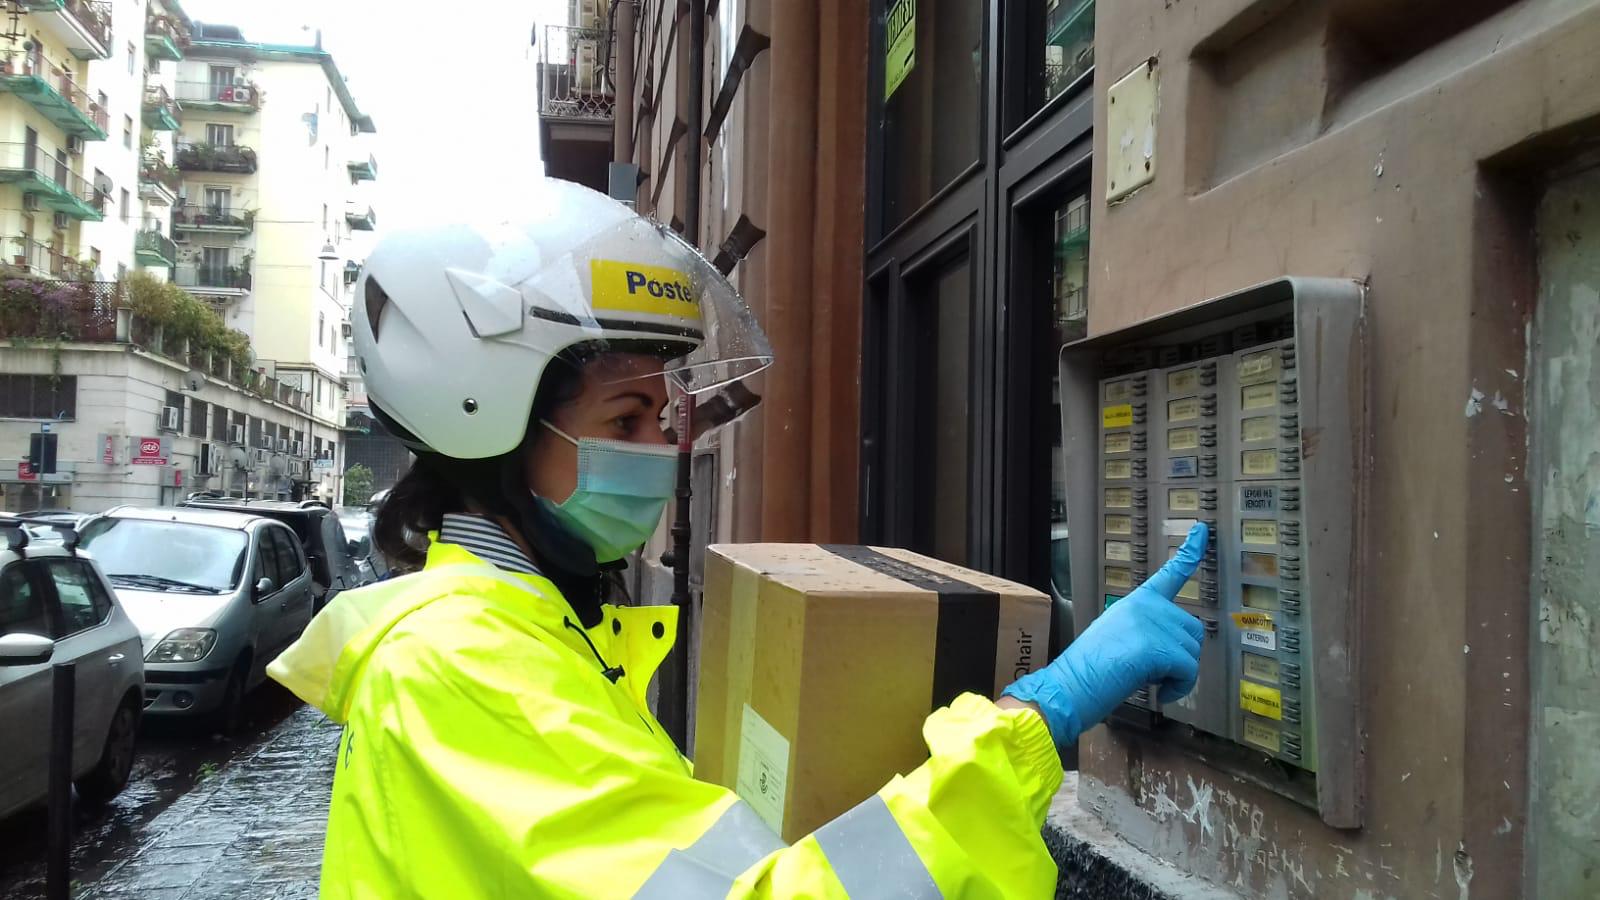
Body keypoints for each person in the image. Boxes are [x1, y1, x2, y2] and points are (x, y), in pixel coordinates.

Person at [268, 179, 1207, 898]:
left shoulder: (521, 632)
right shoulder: (468, 669)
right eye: (628, 418)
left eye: (665, 417)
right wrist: (1041, 718)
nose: (664, 454)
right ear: (486, 422)